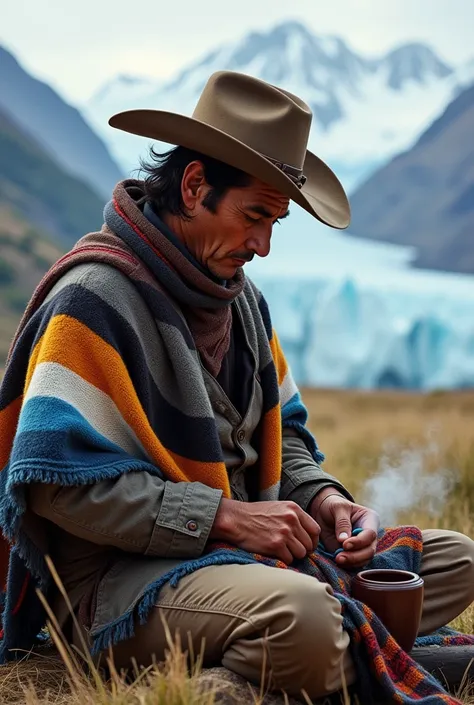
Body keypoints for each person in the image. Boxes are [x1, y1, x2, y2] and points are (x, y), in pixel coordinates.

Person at [0, 71, 473, 701]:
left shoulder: (242, 303)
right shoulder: (93, 301)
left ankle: (306, 661)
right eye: (255, 216)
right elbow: (58, 488)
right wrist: (225, 518)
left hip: (251, 570)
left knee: (457, 559)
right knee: (304, 617)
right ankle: (321, 665)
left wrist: (326, 500)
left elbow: (289, 440)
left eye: (275, 222)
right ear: (194, 186)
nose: (264, 245)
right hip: (122, 587)